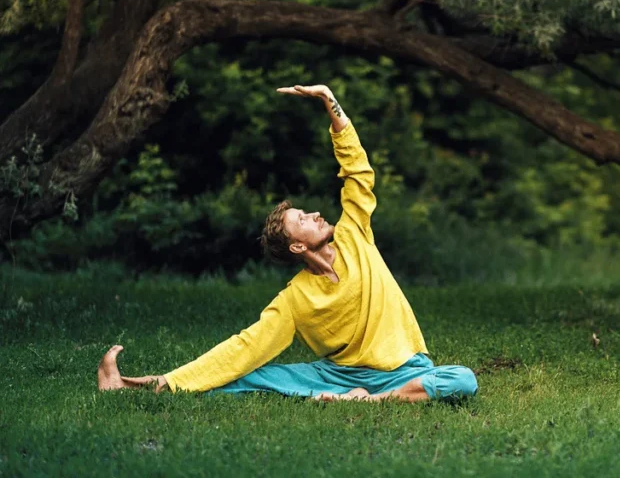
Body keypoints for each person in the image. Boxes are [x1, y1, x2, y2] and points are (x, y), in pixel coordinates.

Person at [97, 84, 478, 403]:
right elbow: (244, 348)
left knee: (463, 380)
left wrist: (330, 102)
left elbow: (358, 173)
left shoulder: (354, 235)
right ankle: (134, 386)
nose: (314, 214)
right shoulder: (295, 299)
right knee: (249, 376)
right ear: (297, 247)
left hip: (407, 369)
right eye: (302, 220)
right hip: (337, 377)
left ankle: (371, 402)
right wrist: (165, 378)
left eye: (306, 212)